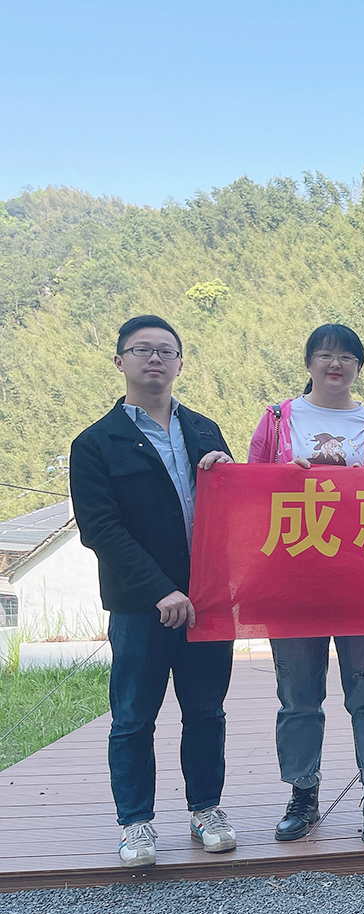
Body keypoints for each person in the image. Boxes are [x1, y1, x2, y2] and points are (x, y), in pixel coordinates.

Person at [70, 315, 236, 868]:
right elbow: (101, 529)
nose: (155, 359)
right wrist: (161, 590)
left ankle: (206, 810)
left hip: (206, 603)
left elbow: (233, 511)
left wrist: (228, 474)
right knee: (133, 717)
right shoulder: (96, 442)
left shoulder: (206, 431)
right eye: (142, 350)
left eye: (166, 350)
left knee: (206, 711)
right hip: (141, 606)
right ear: (120, 361)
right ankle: (135, 823)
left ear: (180, 364)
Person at [247, 324, 364, 843]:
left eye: (347, 357)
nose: (336, 364)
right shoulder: (277, 419)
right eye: (325, 355)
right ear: (309, 362)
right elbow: (249, 491)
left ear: (358, 366)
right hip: (291, 582)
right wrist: (283, 476)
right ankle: (302, 796)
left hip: (361, 581)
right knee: (298, 697)